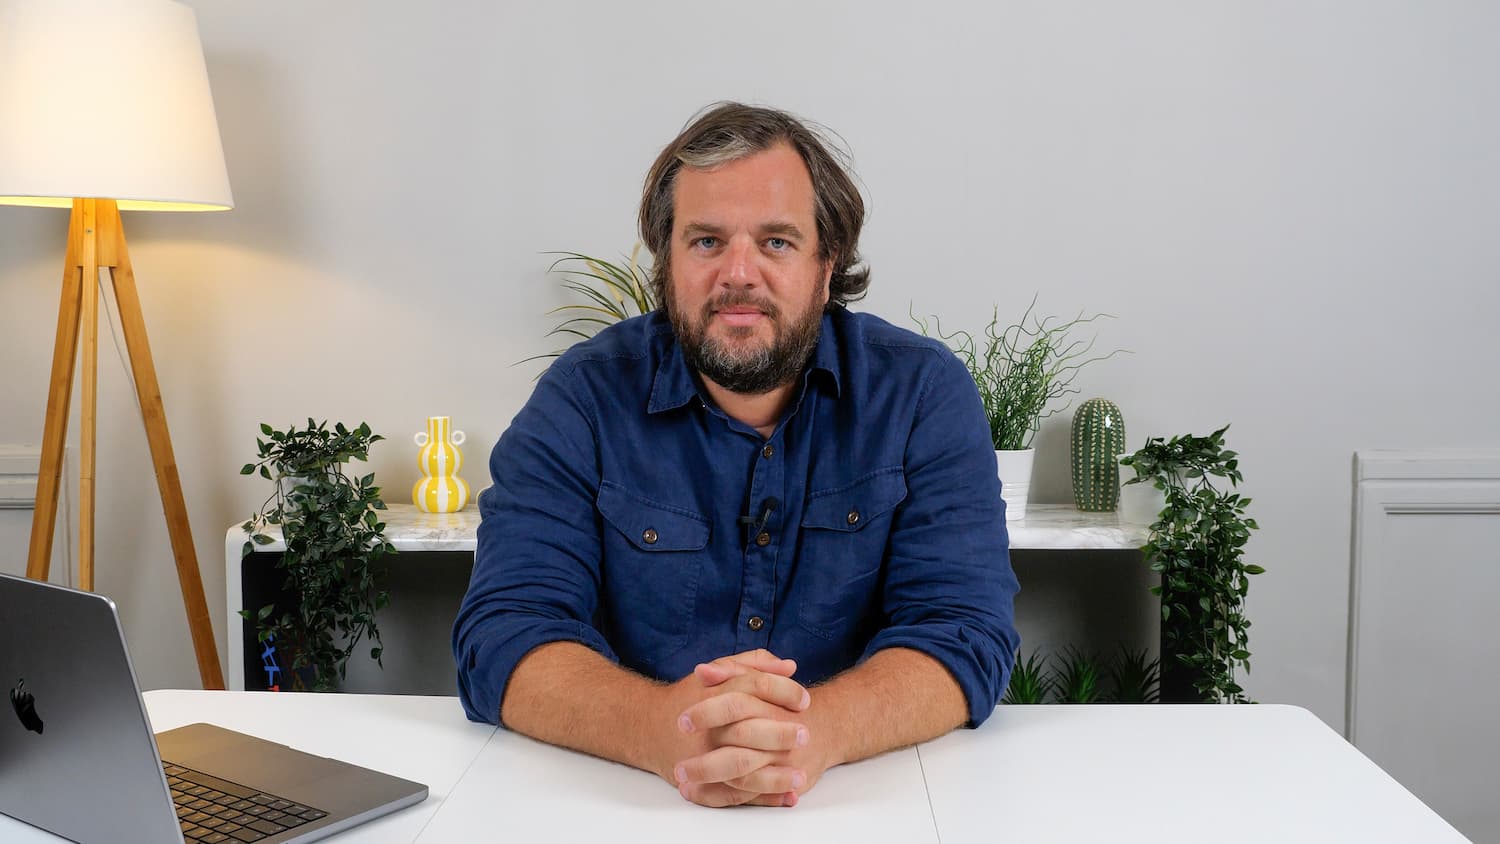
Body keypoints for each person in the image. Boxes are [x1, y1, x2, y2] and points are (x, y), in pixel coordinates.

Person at [452, 102, 1019, 808]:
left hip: (863, 802)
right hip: (626, 803)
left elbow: (965, 630)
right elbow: (502, 633)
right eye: (706, 241)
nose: (739, 273)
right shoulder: (581, 398)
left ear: (826, 263)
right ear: (668, 263)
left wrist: (815, 734)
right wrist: (660, 728)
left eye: (777, 241)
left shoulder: (923, 394)